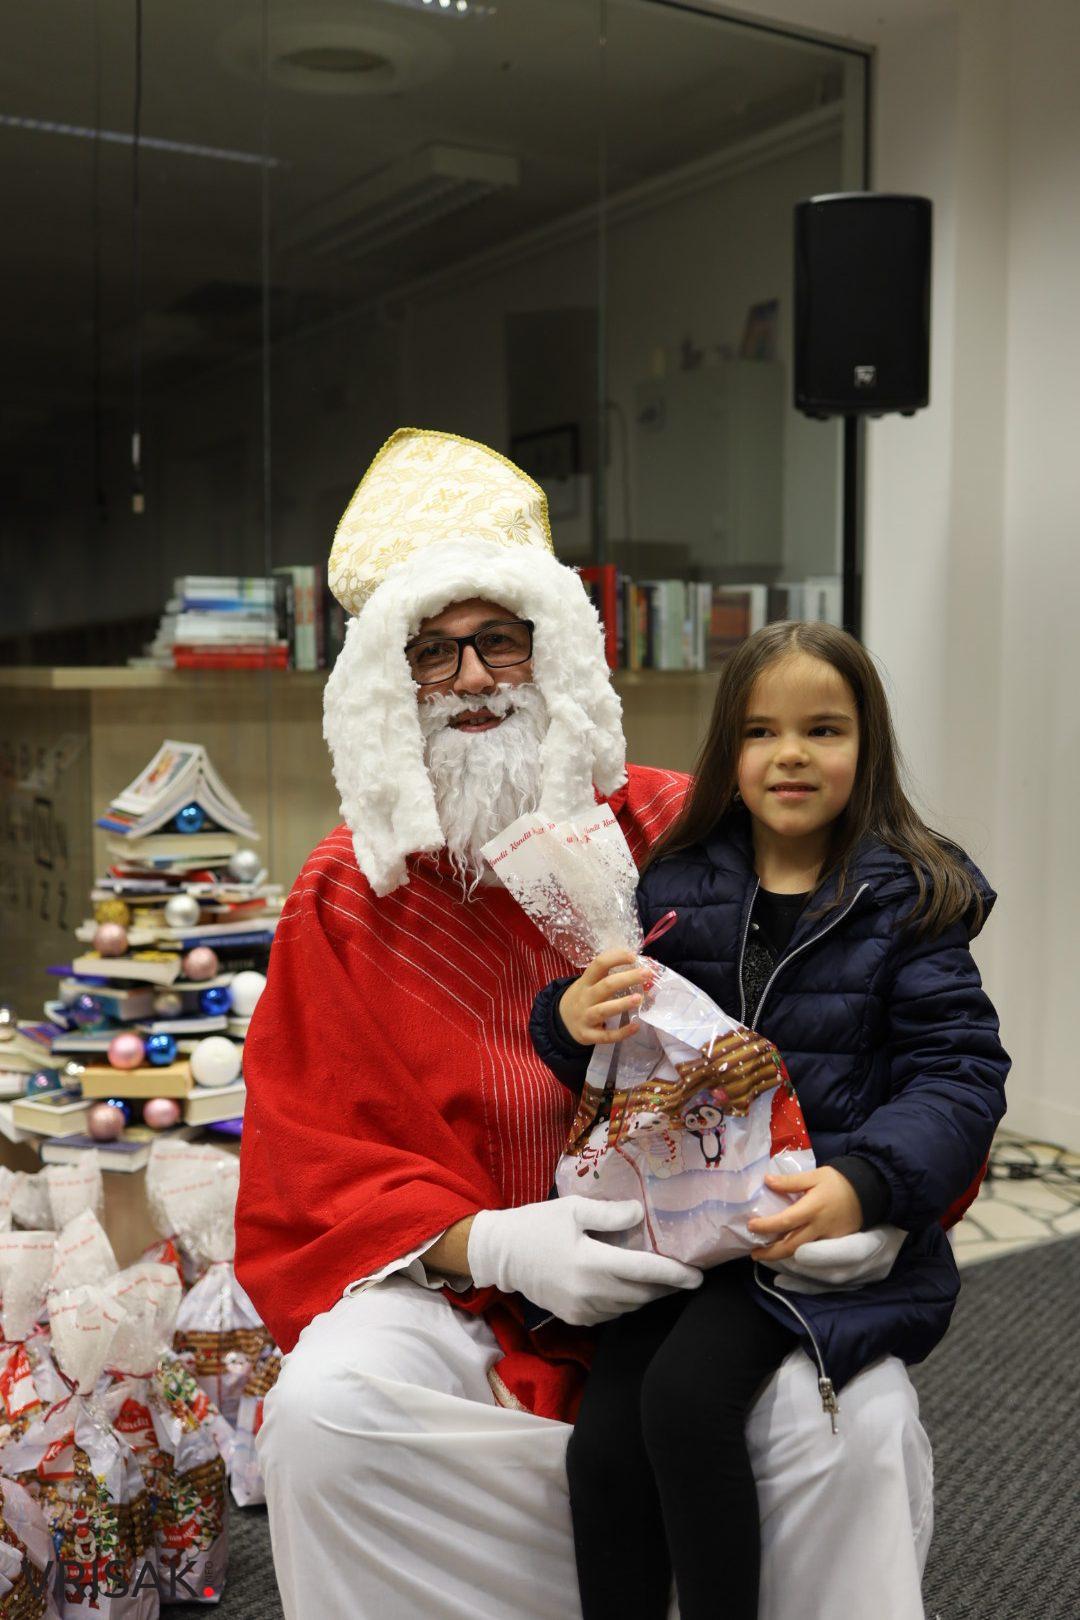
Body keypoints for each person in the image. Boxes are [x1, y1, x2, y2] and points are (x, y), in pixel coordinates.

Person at [236, 429, 944, 1620]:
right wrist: (501, 1246)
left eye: (496, 640)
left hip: (714, 1282)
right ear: (381, 683)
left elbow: (885, 1009)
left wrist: (873, 1197)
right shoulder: (344, 893)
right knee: (326, 1414)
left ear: (552, 649)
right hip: (461, 1297)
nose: (470, 679)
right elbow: (313, 1163)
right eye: (431, 652)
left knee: (858, 1422)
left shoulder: (689, 826)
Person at [529, 621, 1009, 1620]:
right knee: (604, 1445)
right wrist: (566, 1021)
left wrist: (862, 1184)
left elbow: (957, 1076)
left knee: (688, 1403)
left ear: (866, 748)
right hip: (678, 1220)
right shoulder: (671, 883)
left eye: (824, 729)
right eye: (761, 732)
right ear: (729, 757)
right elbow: (617, 1051)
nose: (791, 754)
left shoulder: (913, 898)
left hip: (797, 1233)